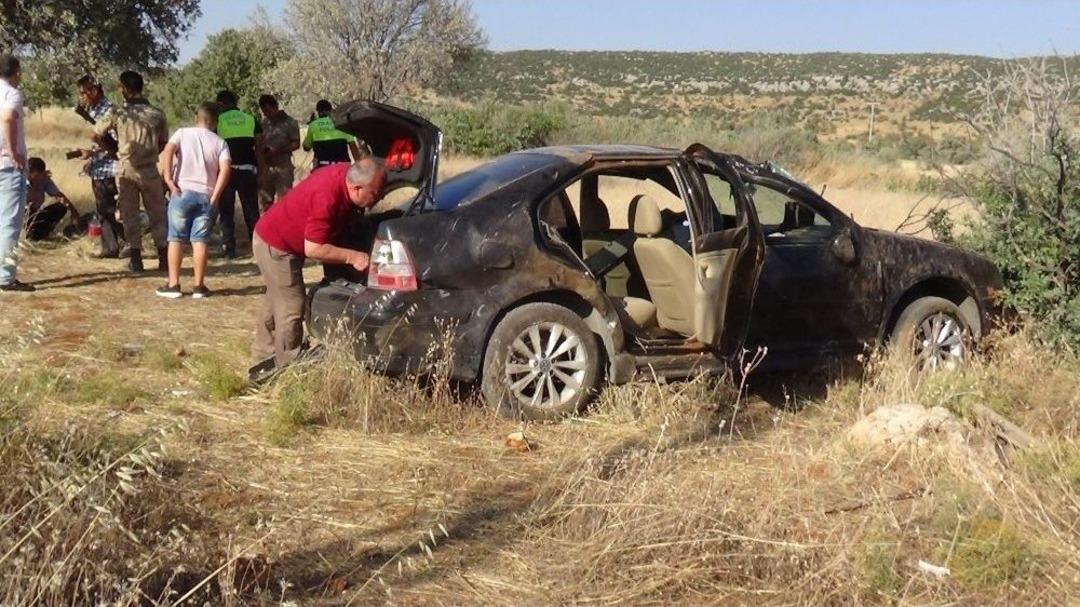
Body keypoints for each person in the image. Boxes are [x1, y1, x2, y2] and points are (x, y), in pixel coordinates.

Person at [251, 157, 385, 367]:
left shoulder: (345, 173)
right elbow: (314, 248)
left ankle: (264, 354)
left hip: (278, 238)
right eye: (375, 194)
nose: (378, 199)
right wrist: (353, 257)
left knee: (278, 297)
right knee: (292, 305)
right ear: (357, 188)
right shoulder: (327, 197)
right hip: (276, 245)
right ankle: (287, 364)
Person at [93, 70, 169, 273]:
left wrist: (113, 151)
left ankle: (136, 259)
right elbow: (163, 142)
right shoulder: (157, 114)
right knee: (158, 213)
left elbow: (96, 134)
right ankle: (163, 258)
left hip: (126, 168)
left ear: (125, 89)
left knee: (130, 214)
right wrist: (151, 152)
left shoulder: (118, 113)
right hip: (150, 168)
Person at [158, 103, 232, 299]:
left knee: (176, 238)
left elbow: (168, 150)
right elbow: (225, 169)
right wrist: (215, 195)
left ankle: (173, 284)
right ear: (215, 122)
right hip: (206, 195)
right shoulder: (220, 143)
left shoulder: (182, 133)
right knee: (200, 241)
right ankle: (199, 286)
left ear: (195, 117)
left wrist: (168, 179)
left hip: (182, 192)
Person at [73, 75, 123, 258]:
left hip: (109, 167)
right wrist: (91, 157)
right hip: (99, 167)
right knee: (103, 210)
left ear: (94, 91)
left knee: (107, 209)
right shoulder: (93, 111)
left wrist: (91, 153)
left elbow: (114, 143)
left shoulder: (107, 111)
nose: (81, 97)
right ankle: (110, 248)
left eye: (83, 93)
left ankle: (130, 241)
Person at [214, 90, 262, 258]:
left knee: (226, 211)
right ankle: (258, 248)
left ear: (221, 104)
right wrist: (261, 170)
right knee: (252, 211)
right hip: (248, 170)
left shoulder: (217, 121)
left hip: (226, 172)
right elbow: (259, 147)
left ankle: (229, 249)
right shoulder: (251, 119)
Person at [0, 53, 31, 292]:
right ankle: (5, 276)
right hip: (8, 167)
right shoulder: (12, 93)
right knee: (10, 223)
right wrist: (13, 152)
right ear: (16, 72)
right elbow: (9, 117)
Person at [257, 94, 299, 211]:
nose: (267, 114)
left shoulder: (290, 122)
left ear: (275, 107)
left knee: (285, 202)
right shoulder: (263, 124)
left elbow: (296, 143)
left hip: (283, 168)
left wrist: (278, 150)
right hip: (266, 168)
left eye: (269, 111)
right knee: (265, 202)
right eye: (264, 112)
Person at [25, 157, 79, 241]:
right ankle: (31, 236)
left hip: (37, 214)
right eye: (35, 175)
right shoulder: (19, 182)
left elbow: (59, 196)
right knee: (28, 210)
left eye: (39, 174)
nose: (37, 178)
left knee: (61, 207)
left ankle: (44, 235)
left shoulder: (44, 180)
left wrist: (74, 212)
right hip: (23, 217)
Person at [303, 99, 363, 169]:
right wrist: (359, 167)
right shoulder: (341, 123)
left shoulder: (313, 125)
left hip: (322, 166)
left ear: (318, 112)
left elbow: (306, 147)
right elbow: (353, 147)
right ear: (331, 110)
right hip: (343, 166)